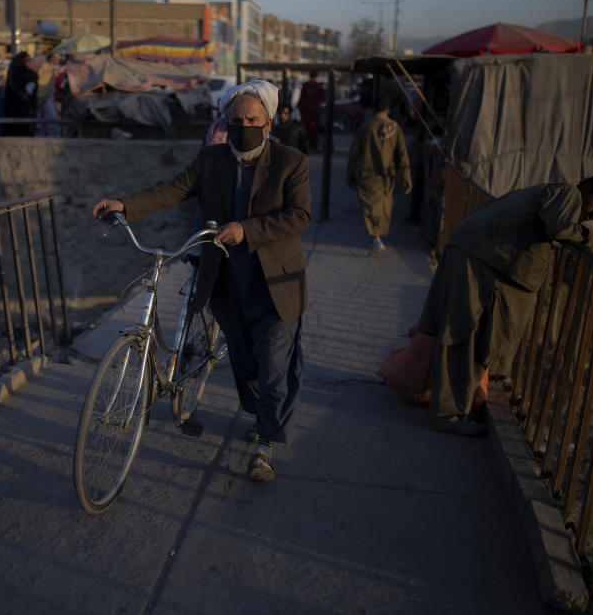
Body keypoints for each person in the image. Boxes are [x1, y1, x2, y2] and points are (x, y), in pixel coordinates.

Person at [92, 80, 309, 482]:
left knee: (275, 365)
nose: (244, 124)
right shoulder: (212, 159)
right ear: (226, 120)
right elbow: (173, 189)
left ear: (269, 121)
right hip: (227, 282)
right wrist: (126, 205)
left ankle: (266, 444)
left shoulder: (291, 161)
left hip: (275, 283)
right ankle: (262, 415)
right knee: (245, 362)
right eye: (237, 119)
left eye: (252, 119)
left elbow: (299, 216)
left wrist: (247, 230)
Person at [419, 174, 593, 436]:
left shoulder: (552, 192)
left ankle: (453, 408)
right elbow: (560, 228)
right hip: (477, 257)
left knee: (472, 334)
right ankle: (446, 415)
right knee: (464, 333)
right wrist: (585, 234)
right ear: (588, 187)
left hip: (480, 255)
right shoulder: (568, 194)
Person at [346, 94, 411, 256]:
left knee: (369, 208)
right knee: (383, 206)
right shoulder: (395, 129)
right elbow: (402, 154)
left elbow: (354, 154)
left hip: (367, 175)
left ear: (373, 109)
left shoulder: (365, 128)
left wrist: (350, 175)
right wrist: (406, 177)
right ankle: (378, 238)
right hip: (387, 176)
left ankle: (375, 239)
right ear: (389, 109)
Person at [3, 51, 37, 136]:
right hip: (14, 99)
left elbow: (32, 75)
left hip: (23, 101)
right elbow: (13, 83)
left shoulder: (24, 69)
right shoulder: (14, 68)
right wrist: (21, 93)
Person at [297, 73, 323, 151]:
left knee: (304, 128)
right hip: (315, 109)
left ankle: (303, 144)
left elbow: (302, 98)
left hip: (305, 109)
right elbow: (321, 98)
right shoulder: (319, 85)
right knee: (314, 129)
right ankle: (313, 145)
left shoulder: (305, 84)